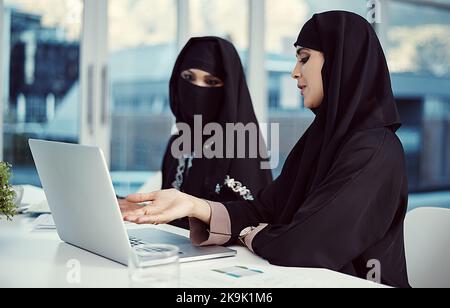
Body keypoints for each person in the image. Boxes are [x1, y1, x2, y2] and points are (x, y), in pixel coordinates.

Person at [120, 12, 410, 288]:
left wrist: (250, 232)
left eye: (304, 58)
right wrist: (194, 205)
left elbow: (304, 244)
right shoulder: (321, 139)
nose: (294, 72)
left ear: (340, 62)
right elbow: (266, 208)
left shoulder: (374, 151)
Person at [151, 37, 273, 229]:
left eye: (211, 81)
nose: (198, 89)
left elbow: (254, 223)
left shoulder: (243, 145)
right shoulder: (179, 141)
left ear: (229, 90)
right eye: (189, 78)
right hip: (172, 249)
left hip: (222, 257)